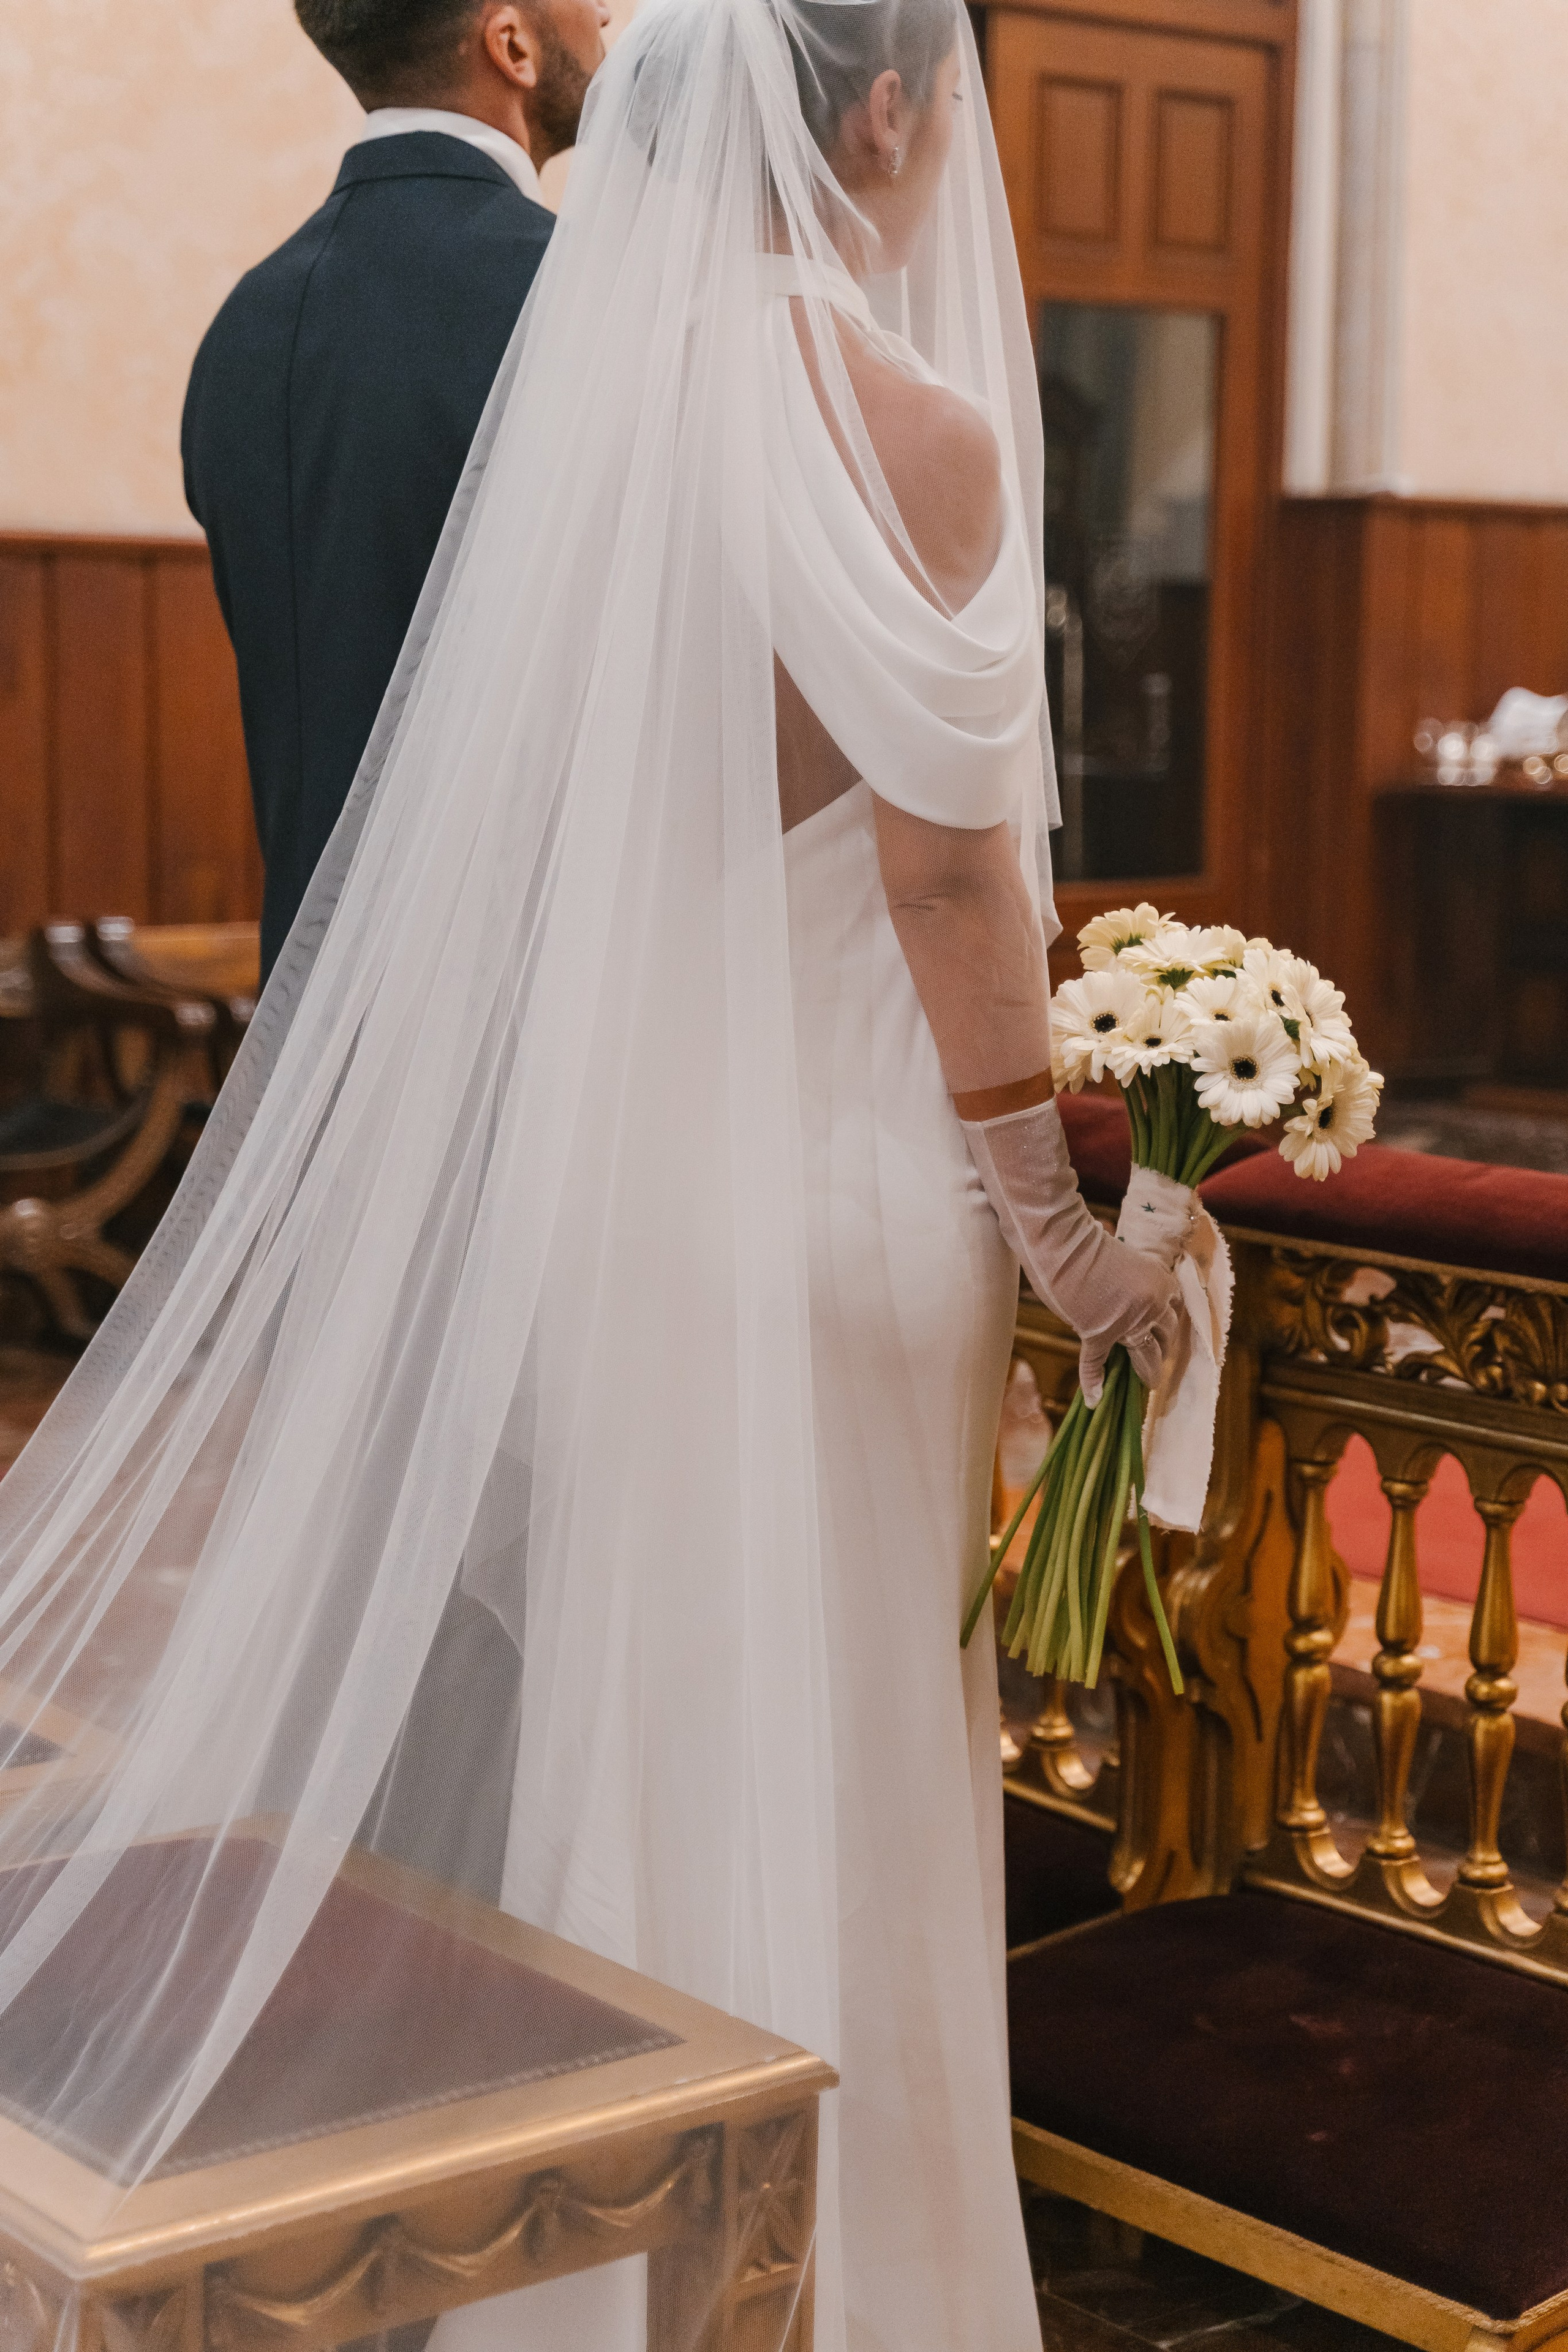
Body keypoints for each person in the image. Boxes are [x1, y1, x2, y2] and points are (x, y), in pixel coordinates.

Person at [0, 0, 1180, 2345]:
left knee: (632, 1726)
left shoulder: (570, 401)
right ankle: (852, 2283)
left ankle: (589, 2260)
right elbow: (953, 889)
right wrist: (1066, 1217)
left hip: (601, 1183)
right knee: (841, 1743)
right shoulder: (913, 428)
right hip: (834, 1192)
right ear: (885, 110)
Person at [183, 0, 608, 984]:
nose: (603, 14)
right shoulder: (583, 293)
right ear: (511, 45)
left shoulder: (242, 326)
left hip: (306, 1004)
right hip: (527, 997)